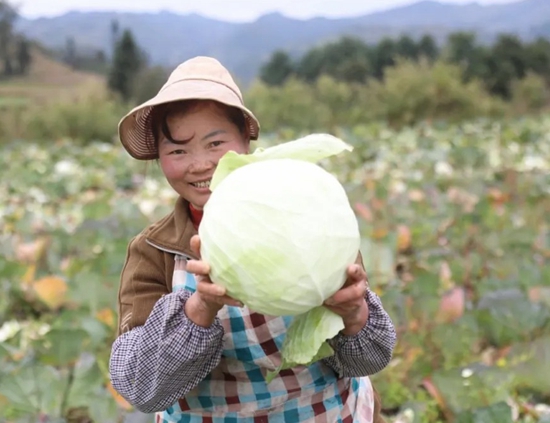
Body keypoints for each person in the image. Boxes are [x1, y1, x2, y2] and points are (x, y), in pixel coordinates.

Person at [109, 56, 397, 423]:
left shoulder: (308, 214)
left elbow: (368, 360)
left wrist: (355, 314)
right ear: (159, 158)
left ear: (245, 139)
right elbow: (140, 388)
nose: (199, 164)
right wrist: (198, 310)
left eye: (215, 143)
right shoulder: (154, 252)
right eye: (178, 150)